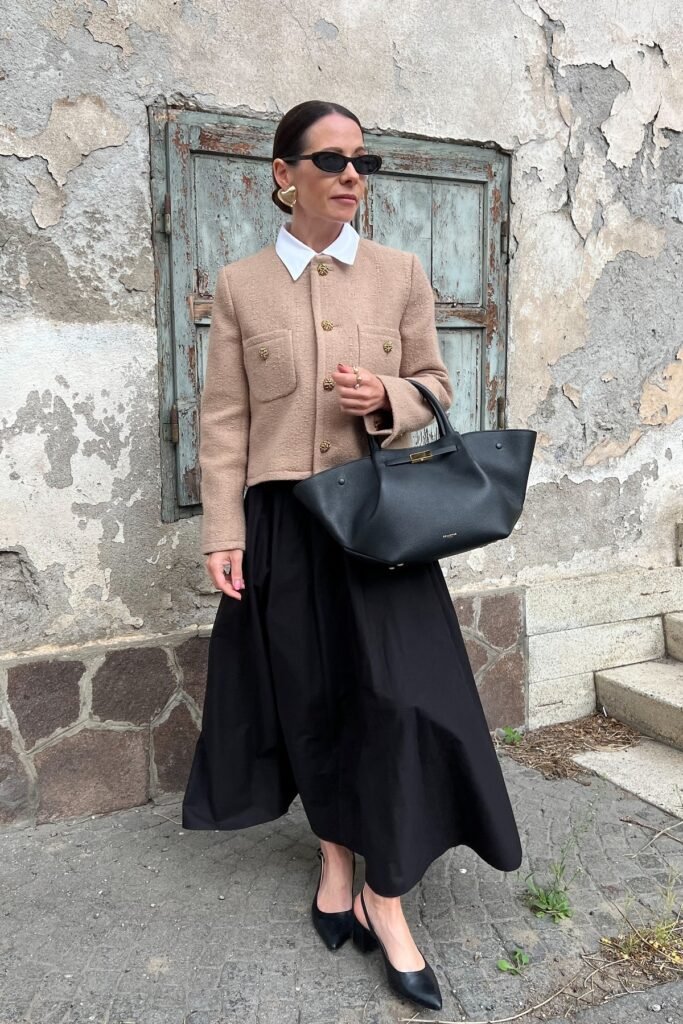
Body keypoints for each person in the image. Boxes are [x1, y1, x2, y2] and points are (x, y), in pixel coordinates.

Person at [181, 99, 523, 1011]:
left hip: (380, 526)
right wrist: (224, 530)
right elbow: (223, 421)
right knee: (311, 702)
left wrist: (390, 395)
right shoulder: (241, 284)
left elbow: (438, 387)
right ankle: (336, 867)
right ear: (281, 176)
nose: (349, 175)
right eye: (328, 159)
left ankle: (387, 895)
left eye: (360, 160)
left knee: (404, 700)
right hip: (284, 525)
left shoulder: (399, 273)